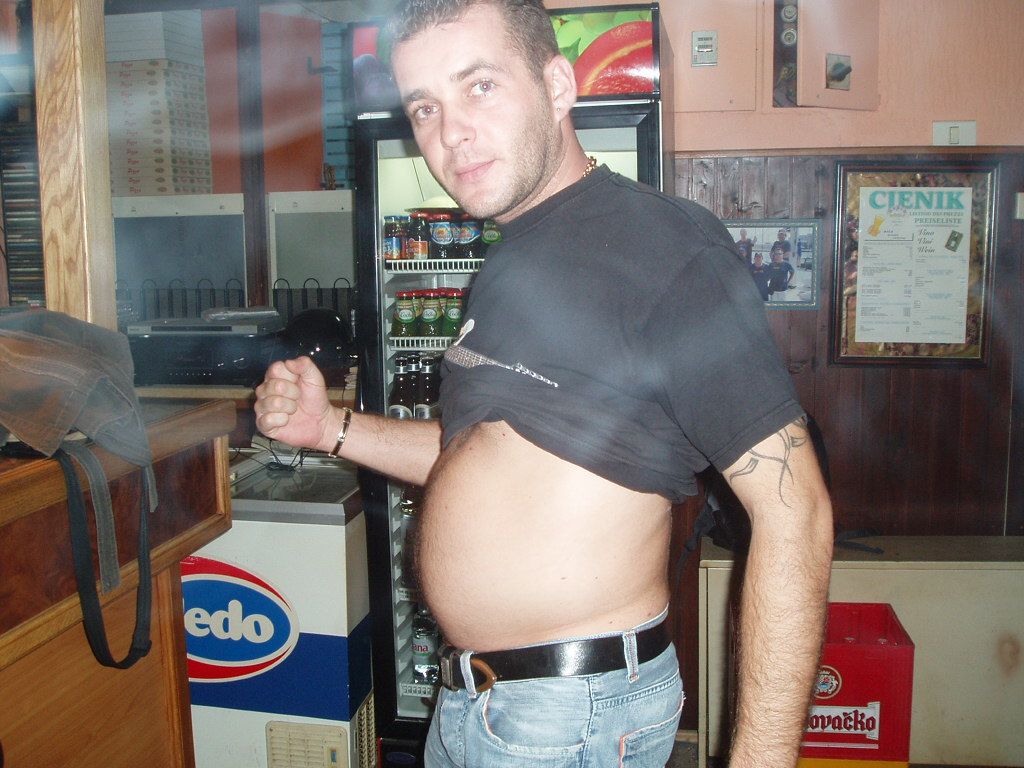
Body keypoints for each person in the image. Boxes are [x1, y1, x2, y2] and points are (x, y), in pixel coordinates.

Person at [254, 2, 833, 766]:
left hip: (569, 717)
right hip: (472, 704)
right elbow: (484, 456)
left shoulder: (666, 247)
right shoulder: (505, 264)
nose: (450, 132)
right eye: (424, 107)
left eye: (479, 87)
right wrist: (330, 428)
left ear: (558, 86)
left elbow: (796, 513)